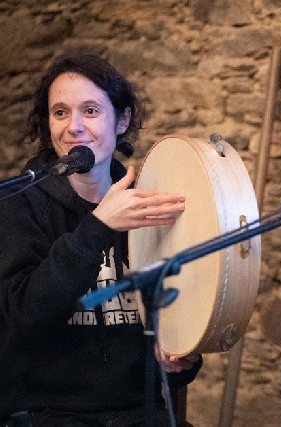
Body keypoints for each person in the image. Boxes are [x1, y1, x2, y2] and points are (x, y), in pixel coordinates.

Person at [0, 54, 202, 426]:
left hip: (138, 413)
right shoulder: (19, 206)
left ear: (121, 119)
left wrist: (176, 360)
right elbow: (21, 319)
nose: (73, 126)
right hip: (47, 415)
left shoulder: (147, 202)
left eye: (90, 110)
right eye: (60, 112)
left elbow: (175, 318)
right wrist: (98, 227)